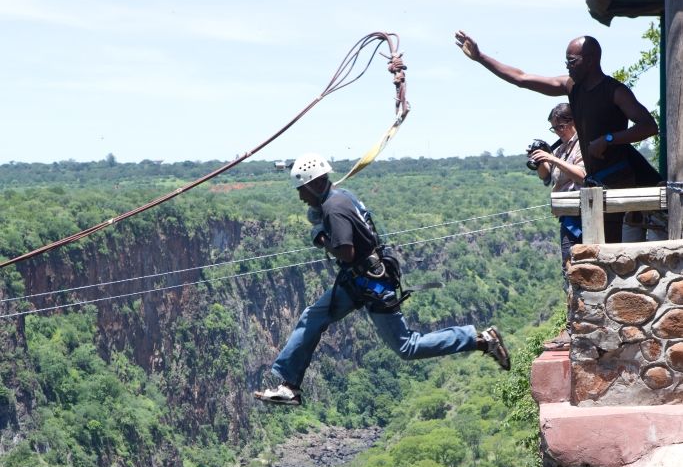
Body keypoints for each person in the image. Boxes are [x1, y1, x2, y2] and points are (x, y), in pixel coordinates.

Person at [254, 153, 510, 406]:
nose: (300, 197)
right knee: (313, 317)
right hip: (358, 280)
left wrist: (321, 238)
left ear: (314, 183)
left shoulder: (333, 209)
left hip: (371, 284)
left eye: (302, 189)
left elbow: (346, 251)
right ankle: (290, 386)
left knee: (407, 346)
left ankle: (480, 340)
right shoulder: (341, 196)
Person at [455, 30, 662, 242]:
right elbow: (521, 78)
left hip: (617, 179)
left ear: (590, 60)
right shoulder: (571, 86)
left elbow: (648, 126)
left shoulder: (615, 91)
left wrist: (608, 139)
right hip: (594, 183)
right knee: (601, 249)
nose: (567, 66)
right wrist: (480, 57)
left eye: (572, 61)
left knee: (611, 247)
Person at [528, 102, 585, 276]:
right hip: (566, 215)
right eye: (554, 128)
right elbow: (545, 176)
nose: (559, 131)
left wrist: (553, 159)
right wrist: (539, 159)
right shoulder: (560, 148)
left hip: (580, 215)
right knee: (568, 264)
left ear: (573, 122)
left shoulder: (581, 144)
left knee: (575, 264)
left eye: (561, 126)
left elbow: (582, 175)